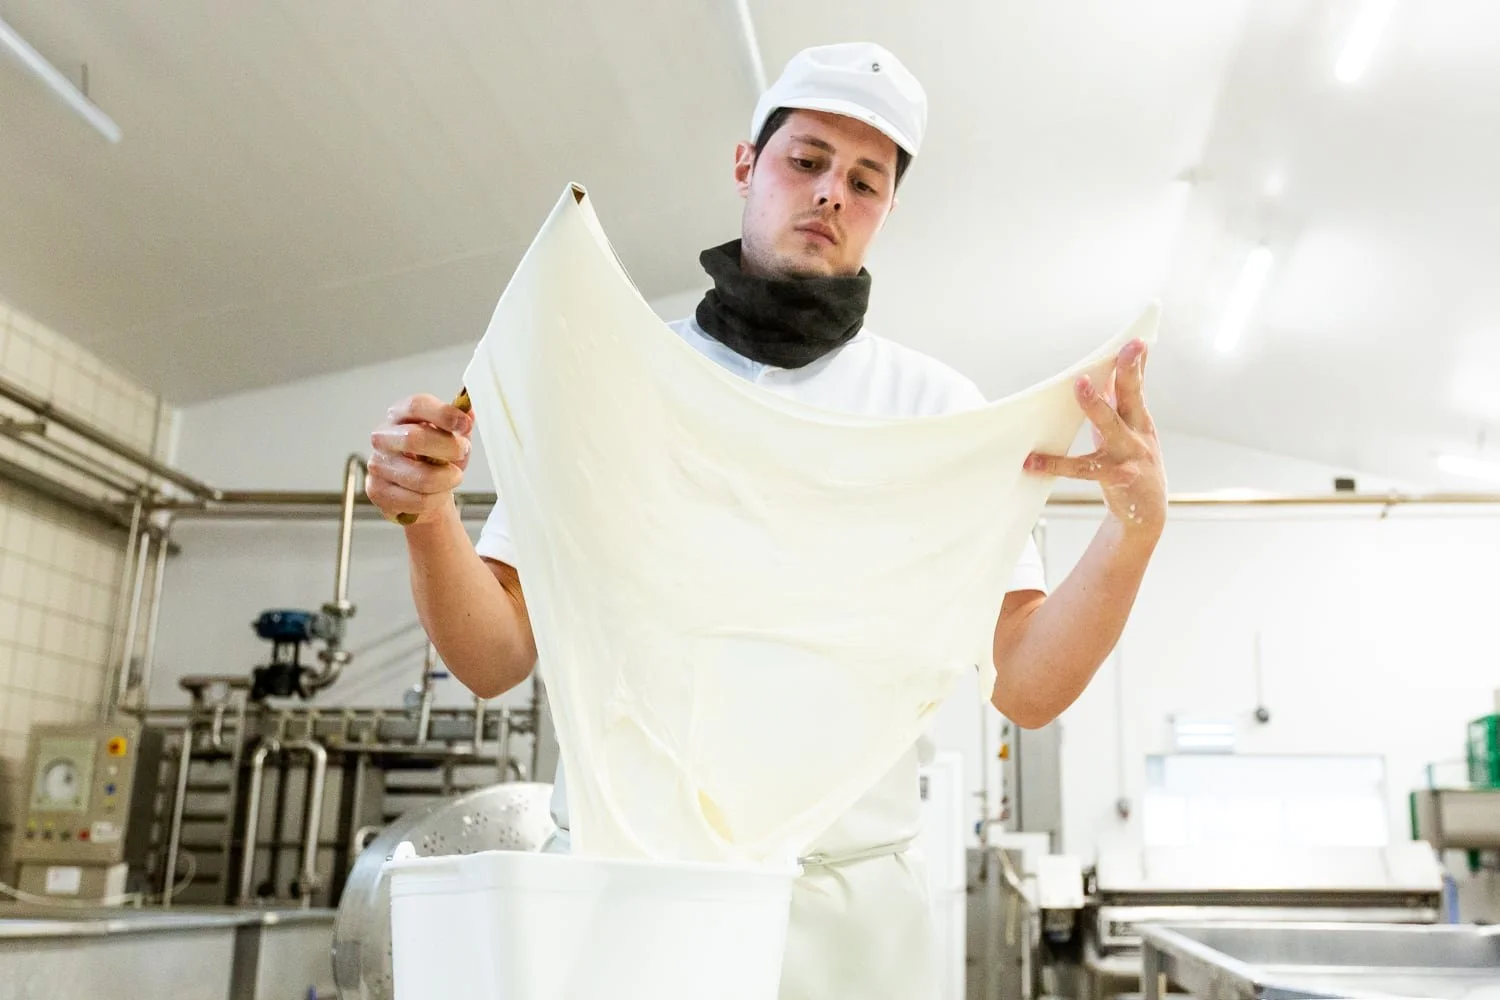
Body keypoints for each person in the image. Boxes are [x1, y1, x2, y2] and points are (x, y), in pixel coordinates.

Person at [366, 41, 1166, 1000]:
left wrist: (1130, 535)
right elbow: (493, 656)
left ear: (887, 211)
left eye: (865, 181)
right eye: (807, 160)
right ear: (746, 165)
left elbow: (1027, 684)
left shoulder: (939, 414)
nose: (831, 192)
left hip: (843, 920)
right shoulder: (615, 379)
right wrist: (428, 517)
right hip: (625, 897)